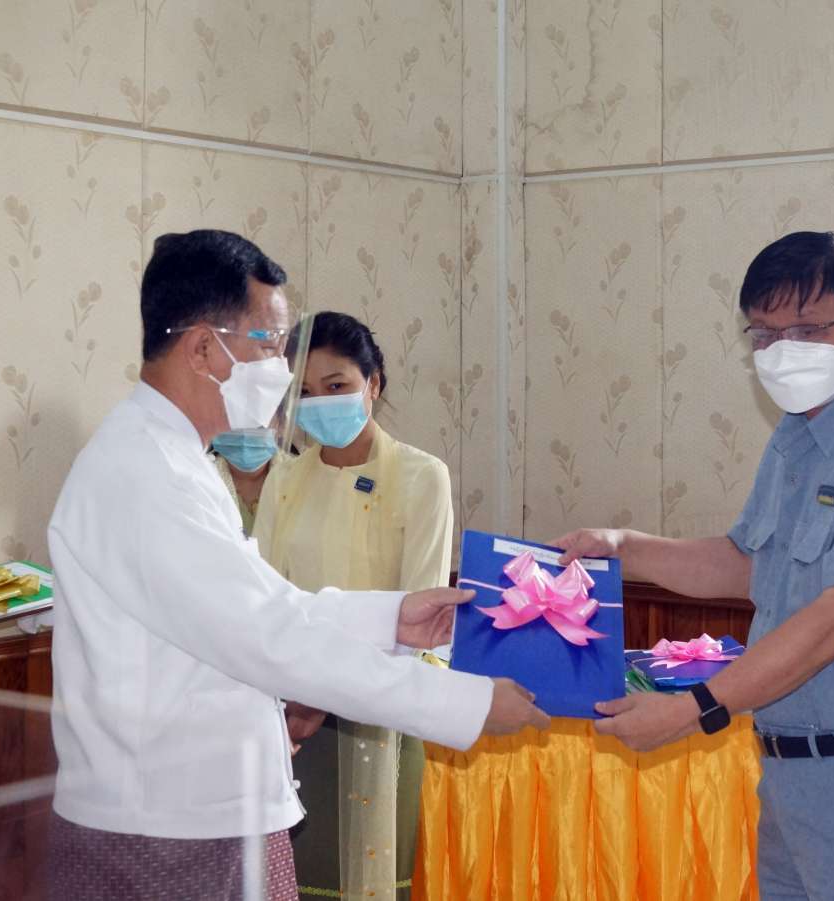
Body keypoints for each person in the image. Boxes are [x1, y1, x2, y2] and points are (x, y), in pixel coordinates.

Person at [45, 229, 549, 901]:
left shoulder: (177, 460)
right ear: (203, 348)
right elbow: (268, 635)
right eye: (270, 345)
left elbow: (270, 603)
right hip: (166, 827)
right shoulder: (145, 475)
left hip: (196, 807)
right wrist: (467, 702)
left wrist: (393, 616)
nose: (282, 373)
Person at [558, 232, 834, 900]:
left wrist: (691, 710)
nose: (782, 350)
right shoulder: (802, 427)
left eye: (806, 329)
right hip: (794, 777)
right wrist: (622, 546)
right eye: (764, 334)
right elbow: (747, 563)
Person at [252, 311, 450, 900]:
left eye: (336, 385)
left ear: (374, 383)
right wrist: (297, 693)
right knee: (301, 880)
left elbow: (421, 619)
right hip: (292, 720)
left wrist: (327, 690)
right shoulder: (285, 480)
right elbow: (263, 600)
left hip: (385, 715)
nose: (320, 404)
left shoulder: (422, 477)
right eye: (306, 393)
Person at [211, 424, 279, 536]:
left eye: (256, 423)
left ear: (280, 423)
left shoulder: (300, 477)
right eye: (236, 422)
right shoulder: (199, 477)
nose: (245, 434)